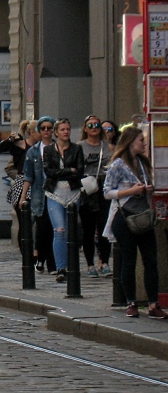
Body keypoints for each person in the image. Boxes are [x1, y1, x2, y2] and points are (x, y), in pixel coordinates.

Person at [103, 126, 167, 318]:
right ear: (131, 142)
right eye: (141, 141)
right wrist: (131, 191)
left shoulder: (142, 162)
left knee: (150, 260)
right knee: (128, 260)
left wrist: (148, 188)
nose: (144, 144)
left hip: (143, 216)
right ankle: (130, 301)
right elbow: (107, 192)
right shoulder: (117, 165)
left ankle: (153, 303)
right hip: (125, 217)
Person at [43, 118, 84, 283]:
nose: (66, 132)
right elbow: (48, 171)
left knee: (70, 231)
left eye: (68, 129)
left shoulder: (76, 149)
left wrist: (63, 171)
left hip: (73, 192)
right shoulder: (48, 150)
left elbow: (79, 171)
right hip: (54, 193)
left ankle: (72, 265)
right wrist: (68, 170)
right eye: (62, 129)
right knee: (59, 230)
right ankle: (61, 267)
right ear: (56, 132)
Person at [77, 115, 112, 277]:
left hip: (104, 187)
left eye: (96, 125)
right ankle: (90, 264)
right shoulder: (79, 147)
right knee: (88, 229)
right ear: (85, 129)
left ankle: (104, 262)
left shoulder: (108, 147)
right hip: (88, 189)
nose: (94, 128)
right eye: (90, 126)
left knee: (104, 226)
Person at [21, 116, 56, 273]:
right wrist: (23, 197)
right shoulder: (33, 152)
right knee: (42, 228)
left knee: (54, 229)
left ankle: (51, 263)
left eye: (50, 128)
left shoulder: (59, 148)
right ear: (39, 131)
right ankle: (42, 259)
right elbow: (28, 176)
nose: (47, 131)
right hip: (38, 195)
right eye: (44, 128)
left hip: (56, 193)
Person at [0, 124, 29, 256]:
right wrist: (21, 178)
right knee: (23, 221)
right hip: (22, 186)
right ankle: (26, 254)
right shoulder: (18, 144)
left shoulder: (44, 146)